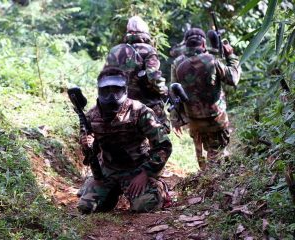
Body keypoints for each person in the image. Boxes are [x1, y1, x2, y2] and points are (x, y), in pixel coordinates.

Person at [77, 67, 172, 214]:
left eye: (116, 90)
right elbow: (91, 153)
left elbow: (163, 146)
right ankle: (110, 191)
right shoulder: (91, 116)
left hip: (137, 168)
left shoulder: (139, 111)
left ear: (125, 90)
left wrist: (146, 173)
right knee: (87, 208)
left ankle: (159, 188)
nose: (111, 96)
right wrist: (86, 145)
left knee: (145, 205)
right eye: (106, 90)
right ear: (99, 90)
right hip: (108, 170)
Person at [170, 28, 241, 170]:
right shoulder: (212, 60)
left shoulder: (177, 63)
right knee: (217, 153)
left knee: (201, 154)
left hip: (193, 119)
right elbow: (233, 78)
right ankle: (214, 183)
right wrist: (231, 56)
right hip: (216, 118)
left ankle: (207, 178)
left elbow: (174, 92)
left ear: (186, 44)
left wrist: (175, 119)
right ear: (203, 43)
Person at [103, 16, 170, 134]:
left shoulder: (115, 50)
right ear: (145, 31)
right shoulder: (149, 50)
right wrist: (164, 91)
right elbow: (153, 77)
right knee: (163, 131)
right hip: (146, 104)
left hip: (120, 105)